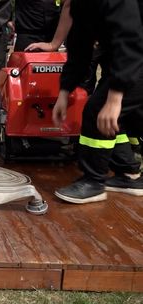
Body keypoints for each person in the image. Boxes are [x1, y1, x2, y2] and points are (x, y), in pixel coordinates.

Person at [52, 0, 143, 203]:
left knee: (98, 111)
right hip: (125, 59)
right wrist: (64, 91)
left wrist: (115, 96)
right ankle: (127, 174)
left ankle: (93, 182)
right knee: (108, 117)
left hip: (136, 58)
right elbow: (79, 45)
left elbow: (129, 39)